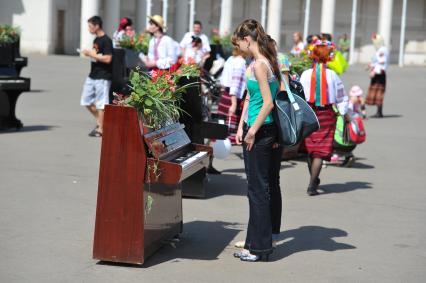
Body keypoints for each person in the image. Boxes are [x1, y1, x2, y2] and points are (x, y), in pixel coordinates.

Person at [232, 19, 282, 262]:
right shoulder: (258, 62)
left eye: (238, 42)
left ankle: (260, 248)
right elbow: (250, 100)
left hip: (261, 132)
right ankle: (252, 243)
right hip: (256, 129)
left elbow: (268, 103)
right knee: (255, 188)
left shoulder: (260, 65)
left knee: (258, 190)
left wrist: (252, 130)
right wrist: (242, 125)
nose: (238, 47)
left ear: (247, 40)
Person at [300, 39, 349, 196]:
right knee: (320, 152)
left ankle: (313, 179)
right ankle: (312, 184)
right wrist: (344, 113)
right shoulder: (333, 75)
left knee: (310, 149)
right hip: (327, 115)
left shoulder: (306, 74)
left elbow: (299, 96)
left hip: (308, 114)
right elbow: (341, 97)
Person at [80, 16, 113, 137]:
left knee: (101, 103)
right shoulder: (96, 40)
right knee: (85, 100)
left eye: (90, 26)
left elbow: (108, 58)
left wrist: (91, 54)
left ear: (97, 26)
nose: (88, 28)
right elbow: (97, 54)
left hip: (103, 76)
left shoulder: (106, 40)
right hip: (93, 74)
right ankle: (101, 123)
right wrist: (89, 53)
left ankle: (101, 128)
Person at [217, 47, 247, 144]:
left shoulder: (230, 59)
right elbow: (235, 83)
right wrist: (234, 104)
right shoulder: (241, 62)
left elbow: (223, 79)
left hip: (226, 94)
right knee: (230, 131)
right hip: (233, 97)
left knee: (222, 128)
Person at [366, 33, 389, 118]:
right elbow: (377, 61)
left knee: (379, 93)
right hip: (378, 73)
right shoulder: (381, 49)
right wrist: (371, 65)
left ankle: (379, 112)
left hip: (379, 74)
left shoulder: (382, 50)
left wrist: (374, 71)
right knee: (377, 92)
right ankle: (379, 112)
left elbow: (382, 63)